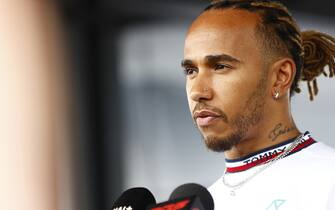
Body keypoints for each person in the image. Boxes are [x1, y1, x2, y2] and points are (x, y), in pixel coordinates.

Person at [182, 0, 335, 209]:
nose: (198, 91)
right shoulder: (204, 202)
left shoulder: (328, 179)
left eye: (220, 66)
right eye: (191, 71)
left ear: (280, 77)